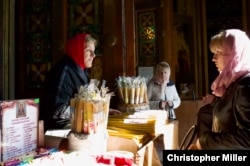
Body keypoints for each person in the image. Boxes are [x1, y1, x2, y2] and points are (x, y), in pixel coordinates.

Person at [40, 33, 119, 132]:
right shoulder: (64, 72)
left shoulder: (80, 70)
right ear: (76, 49)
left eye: (93, 51)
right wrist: (90, 112)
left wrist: (101, 110)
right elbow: (58, 110)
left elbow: (85, 103)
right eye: (88, 50)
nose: (93, 55)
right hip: (57, 130)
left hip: (75, 125)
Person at [189, 29, 250, 150]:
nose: (213, 59)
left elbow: (247, 139)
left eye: (218, 52)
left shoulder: (245, 86)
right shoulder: (233, 85)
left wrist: (204, 142)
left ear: (235, 54)